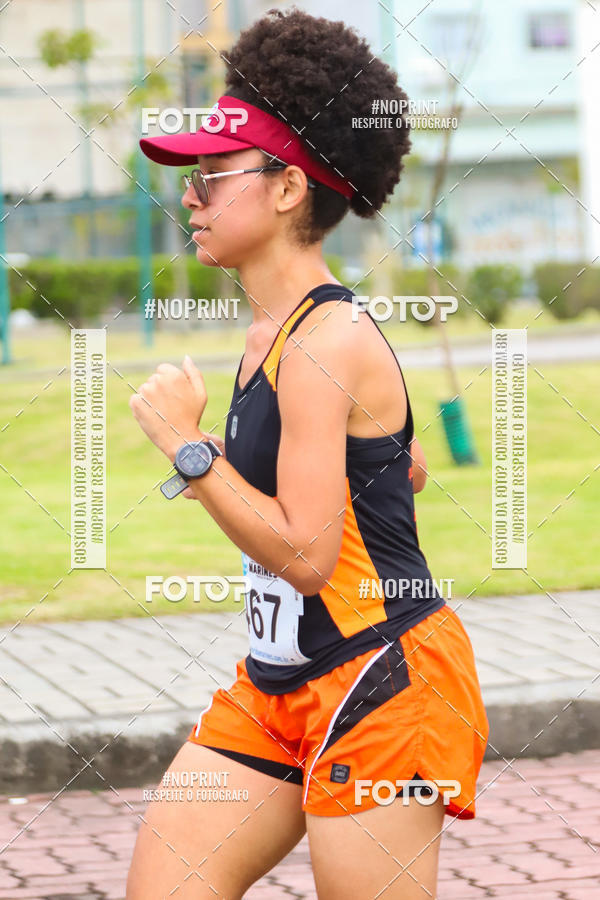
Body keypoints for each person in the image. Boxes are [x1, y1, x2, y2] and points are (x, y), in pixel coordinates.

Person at [127, 9, 489, 899]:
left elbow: (305, 554)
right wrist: (227, 457)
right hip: (276, 689)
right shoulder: (268, 336)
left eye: (213, 176)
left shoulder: (326, 338)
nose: (190, 196)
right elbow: (392, 475)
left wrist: (186, 451)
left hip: (382, 687)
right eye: (192, 177)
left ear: (287, 189)